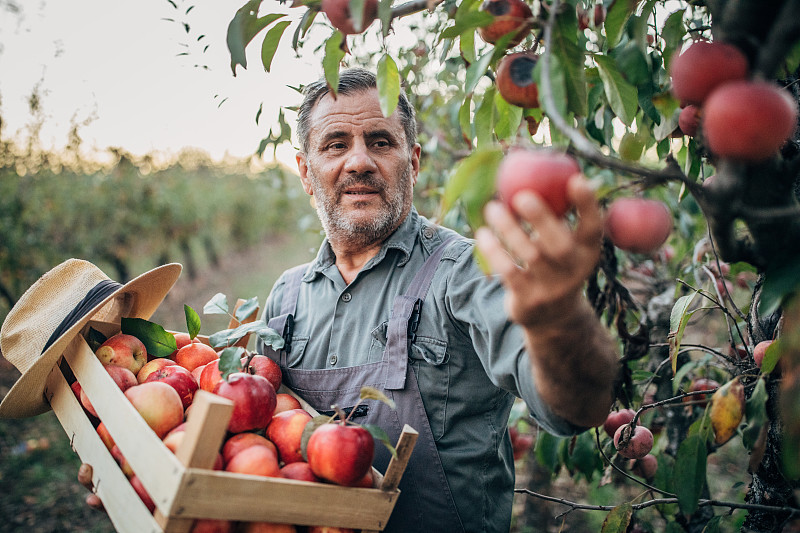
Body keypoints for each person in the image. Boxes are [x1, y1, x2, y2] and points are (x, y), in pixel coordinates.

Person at [80, 67, 618, 532]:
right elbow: (254, 443)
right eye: (336, 144)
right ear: (306, 172)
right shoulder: (288, 295)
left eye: (381, 142)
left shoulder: (466, 273)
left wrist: (562, 326)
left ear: (413, 161)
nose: (359, 161)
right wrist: (143, 471)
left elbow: (573, 412)